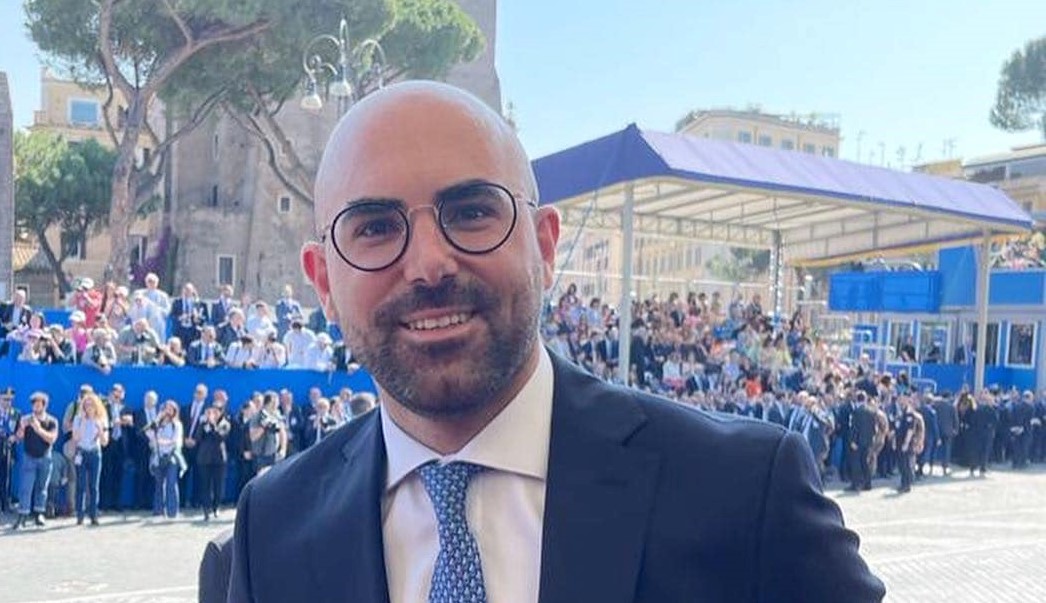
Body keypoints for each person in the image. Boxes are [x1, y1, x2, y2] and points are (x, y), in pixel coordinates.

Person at [224, 82, 884, 601]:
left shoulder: (744, 491)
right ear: (323, 281)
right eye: (374, 227)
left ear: (544, 246)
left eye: (471, 212)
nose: (428, 263)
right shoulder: (271, 529)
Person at [11, 391, 59, 530]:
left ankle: (39, 514)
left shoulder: (52, 421)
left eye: (39, 404)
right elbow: (18, 438)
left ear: (44, 405)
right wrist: (22, 427)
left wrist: (38, 429)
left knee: (42, 487)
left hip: (45, 457)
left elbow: (52, 439)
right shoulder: (26, 419)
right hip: (29, 457)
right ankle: (22, 516)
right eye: (34, 404)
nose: (36, 407)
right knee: (25, 488)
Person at [71, 392, 110, 525]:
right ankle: (80, 515)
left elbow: (105, 442)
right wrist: (82, 421)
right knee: (81, 485)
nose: (89, 408)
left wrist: (100, 431)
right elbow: (76, 438)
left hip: (95, 453)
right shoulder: (78, 419)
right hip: (81, 452)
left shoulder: (102, 419)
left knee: (94, 485)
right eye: (86, 405)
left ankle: (93, 514)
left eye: (91, 405)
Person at [196, 405, 231, 521]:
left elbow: (220, 437)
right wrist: (205, 425)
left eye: (216, 412)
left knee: (218, 485)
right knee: (205, 484)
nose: (213, 414)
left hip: (219, 458)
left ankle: (216, 507)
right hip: (204, 458)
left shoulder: (225, 424)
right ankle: (206, 509)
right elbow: (198, 437)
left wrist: (213, 425)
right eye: (211, 412)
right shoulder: (203, 424)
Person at [151, 400, 183, 518]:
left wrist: (162, 442)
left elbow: (175, 441)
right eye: (166, 408)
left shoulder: (177, 425)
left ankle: (172, 512)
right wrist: (158, 419)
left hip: (171, 457)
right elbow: (150, 436)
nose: (167, 411)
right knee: (158, 484)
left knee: (171, 483)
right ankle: (158, 511)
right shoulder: (158, 424)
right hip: (158, 457)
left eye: (170, 409)